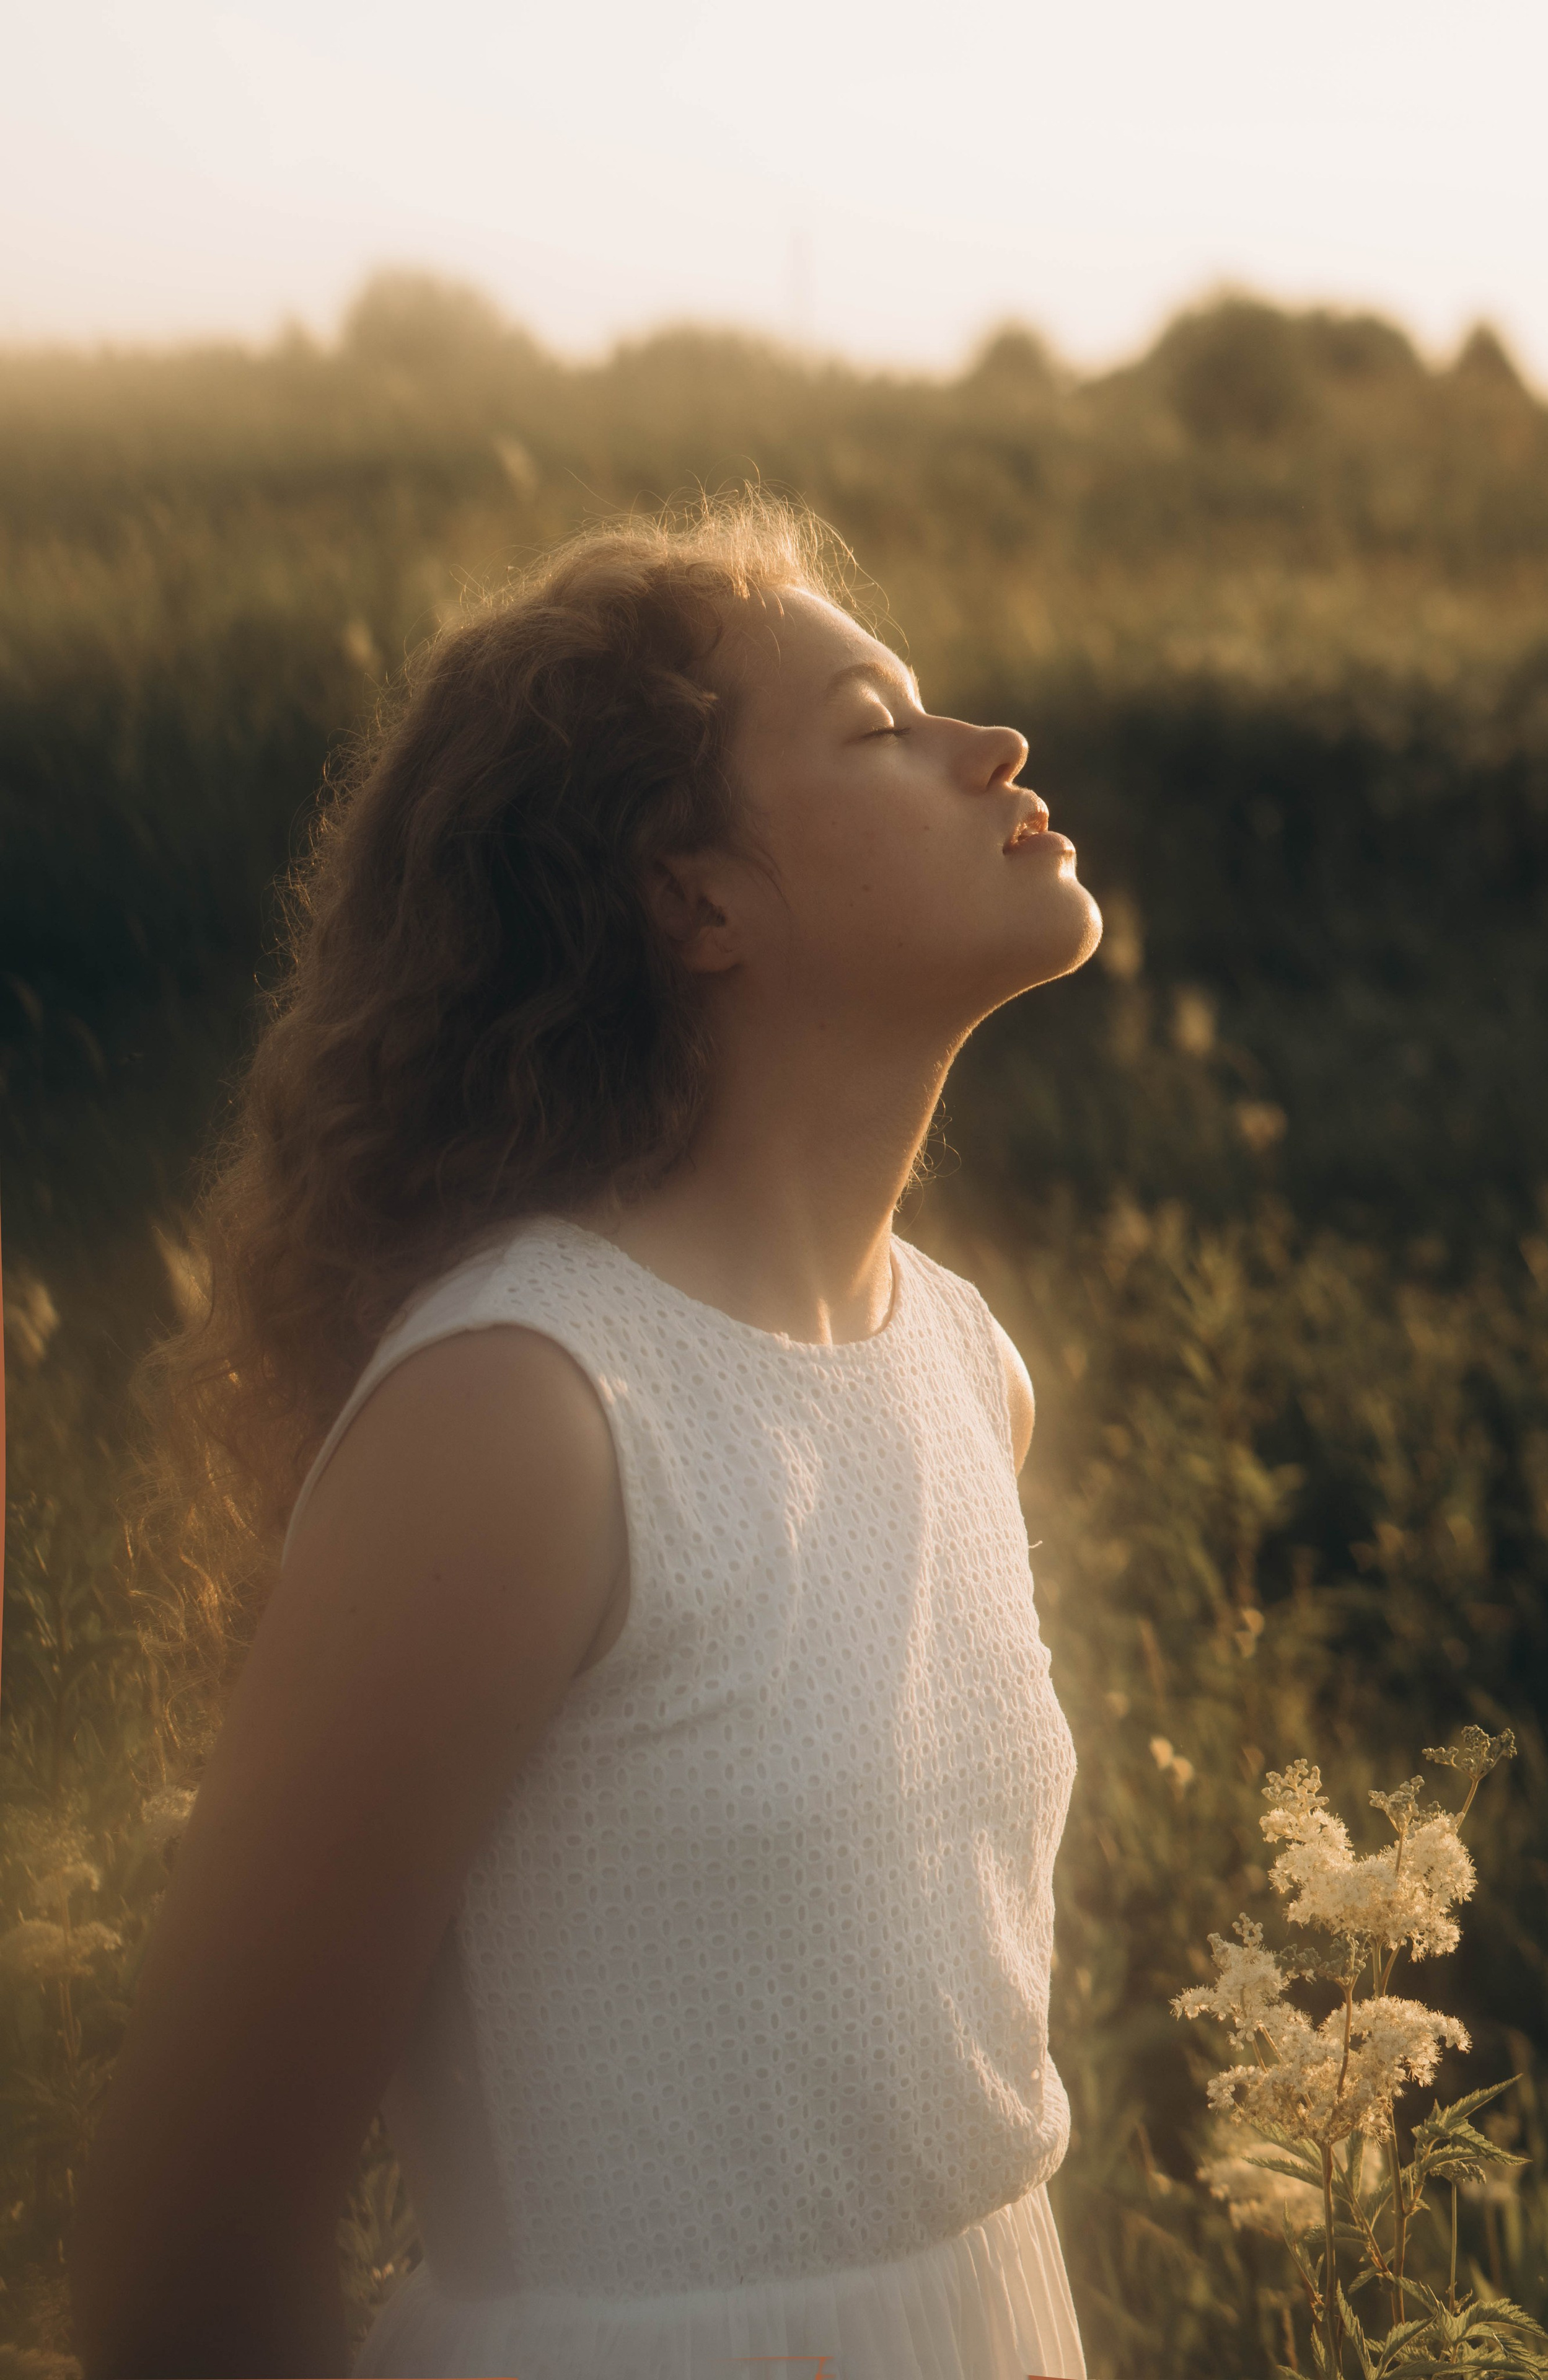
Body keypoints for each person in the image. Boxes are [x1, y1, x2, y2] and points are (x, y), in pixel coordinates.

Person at [69, 492, 1102, 2380]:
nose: (994, 747)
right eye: (879, 727)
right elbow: (185, 2249)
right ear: (694, 895)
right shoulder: (528, 1414)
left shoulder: (970, 1365)